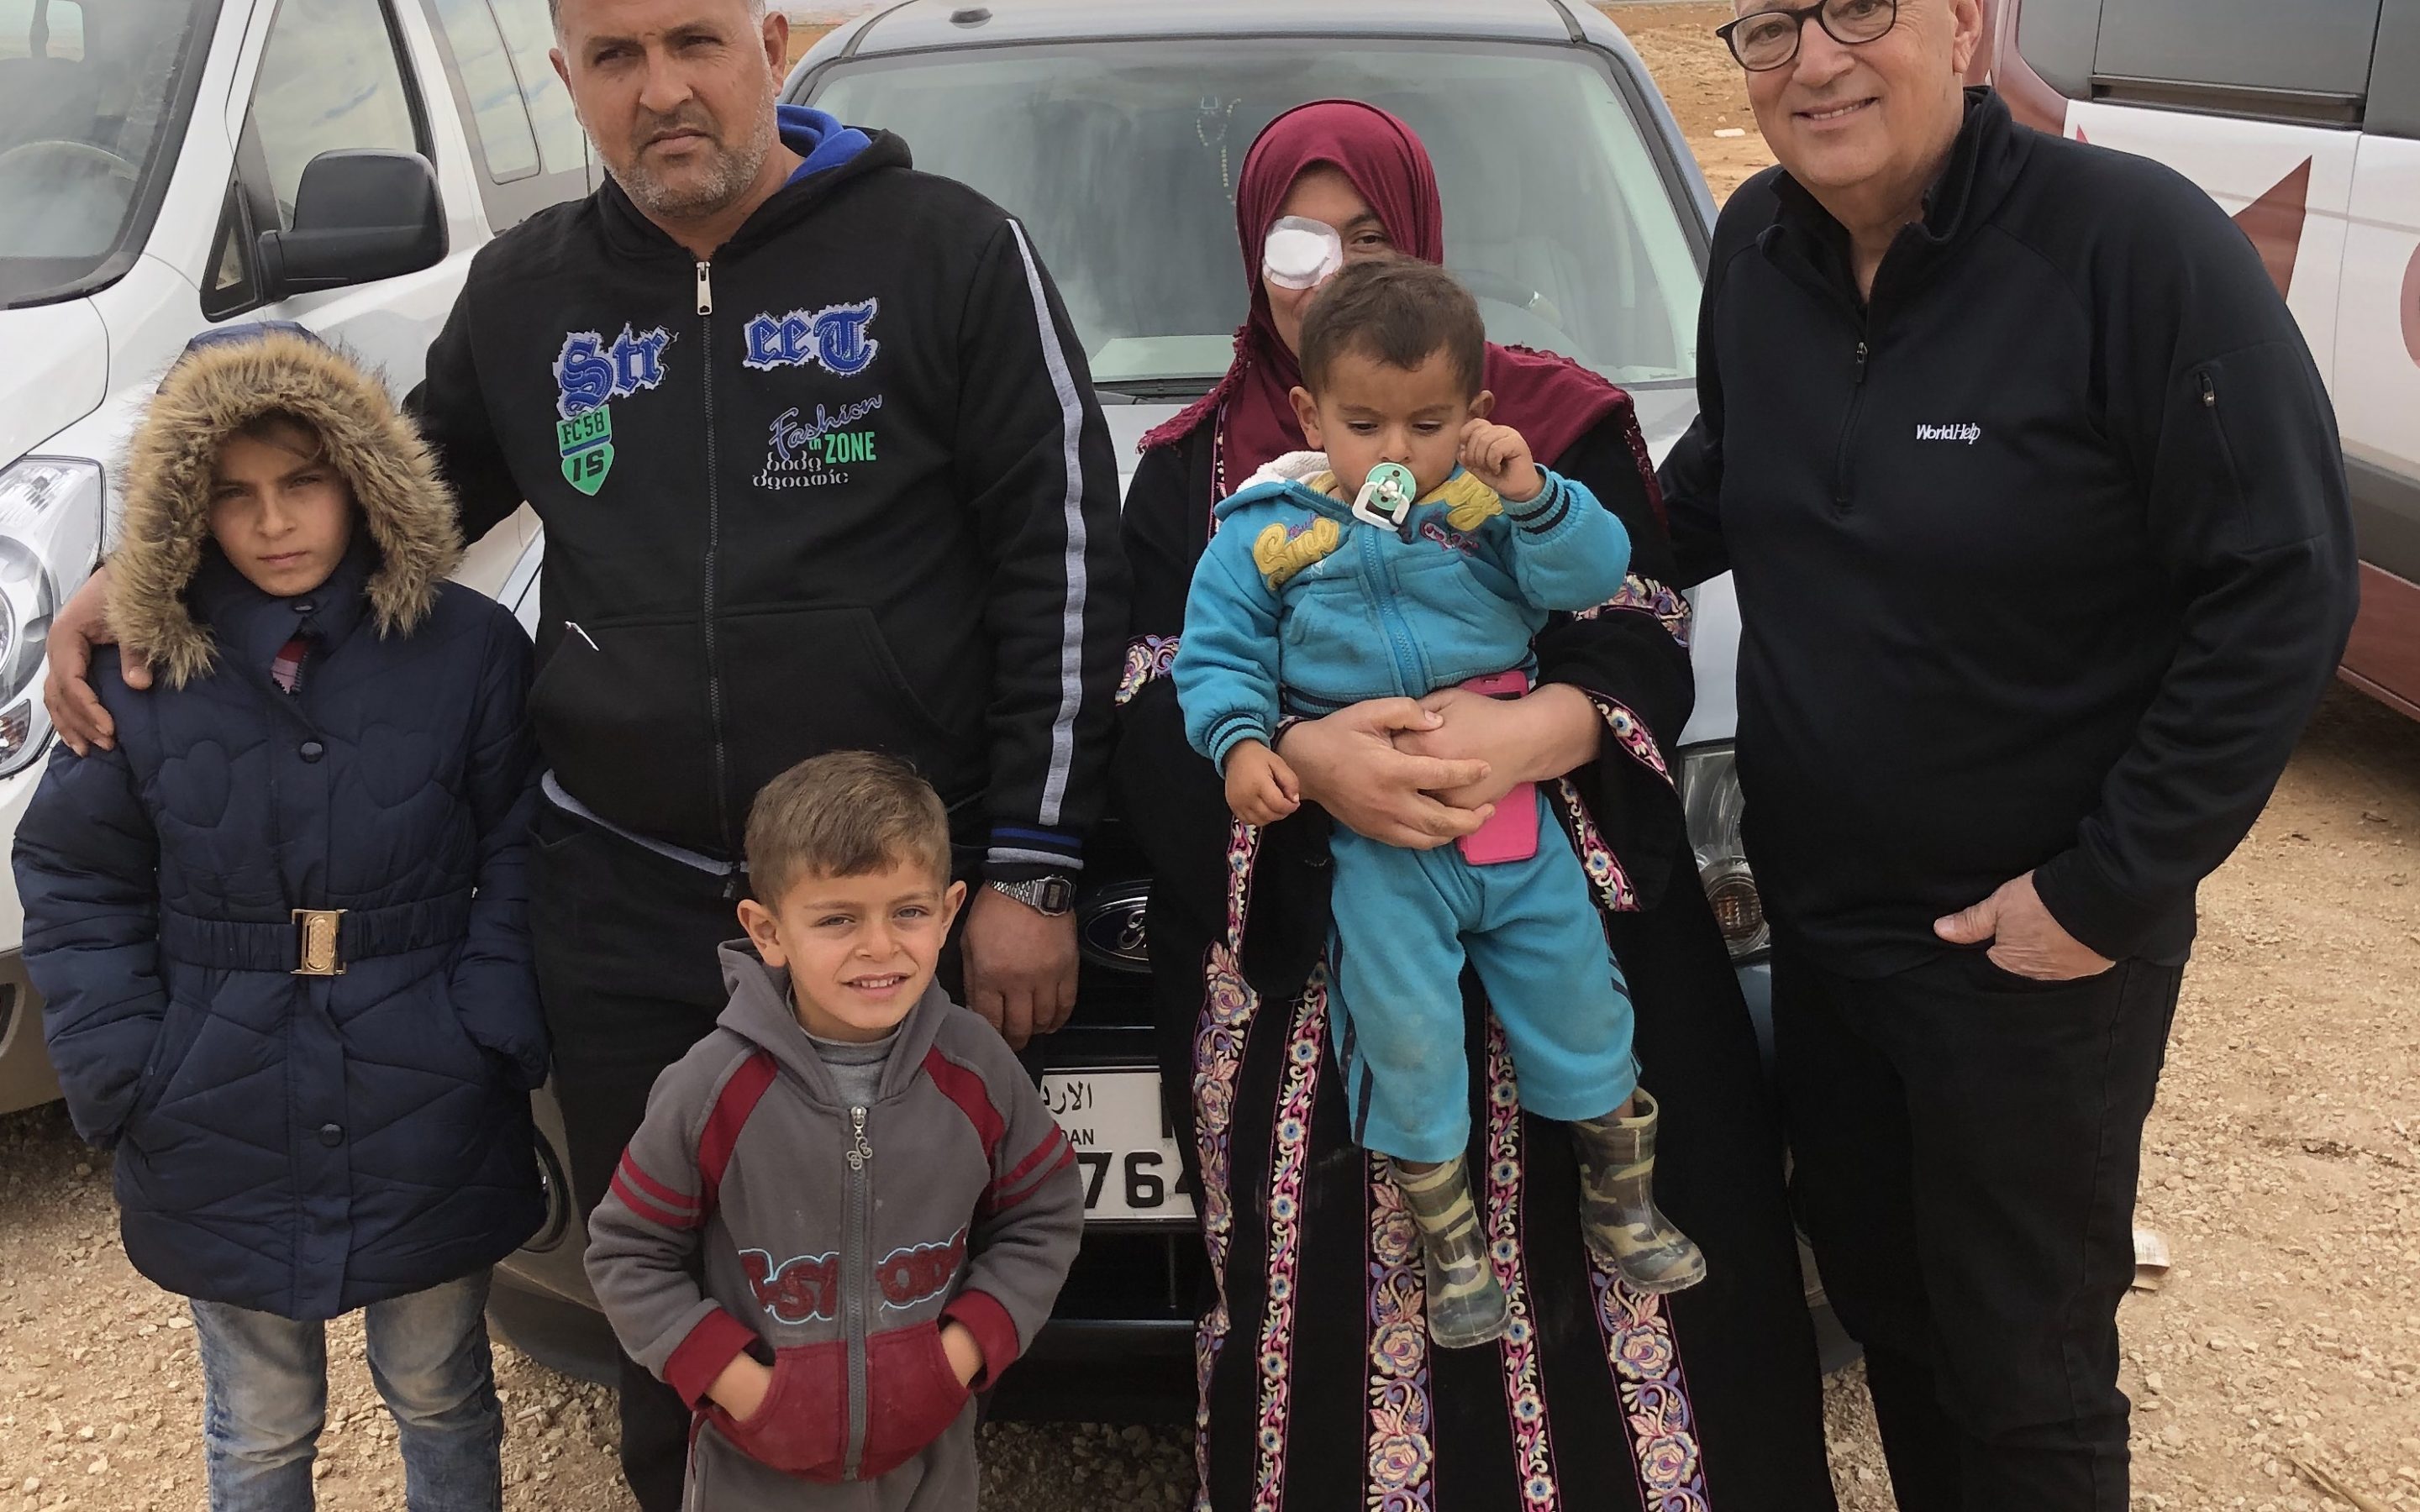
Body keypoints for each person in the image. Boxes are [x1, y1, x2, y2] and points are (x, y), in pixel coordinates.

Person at [42, 0, 1124, 1499]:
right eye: (615, 57)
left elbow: (1061, 562)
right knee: (666, 1325)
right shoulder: (528, 292)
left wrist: (1036, 867)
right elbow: (380, 501)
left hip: (881, 912)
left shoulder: (948, 252)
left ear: (771, 44)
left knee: (892, 1302)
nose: (660, 88)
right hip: (625, 903)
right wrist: (146, 572)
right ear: (567, 78)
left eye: (694, 41)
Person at [1660, 2, 2360, 1506]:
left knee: (2023, 1370)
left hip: (2029, 954)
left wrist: (2107, 892)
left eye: (1860, 8)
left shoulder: (2133, 249)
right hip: (1827, 930)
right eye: (1770, 26)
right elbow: (1720, 482)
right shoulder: (1757, 249)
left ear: (1967, 27)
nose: (1815, 61)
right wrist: (1500, 530)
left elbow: (2284, 584)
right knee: (1885, 1302)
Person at [1118, 98, 1835, 1509]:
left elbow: (1640, 624)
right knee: (1333, 1313)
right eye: (1298, 242)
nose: (1332, 273)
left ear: (1425, 245)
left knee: (1641, 1298)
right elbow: (1158, 695)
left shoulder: (1549, 426)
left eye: (1369, 237)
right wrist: (1311, 760)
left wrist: (1529, 737)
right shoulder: (1196, 470)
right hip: (1323, 942)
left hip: (1558, 891)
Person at [13, 323, 546, 1511]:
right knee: (258, 1424)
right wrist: (124, 1063)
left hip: (429, 1090)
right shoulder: (139, 670)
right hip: (214, 1096)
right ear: (185, 507)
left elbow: (522, 839)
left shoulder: (468, 651)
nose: (272, 522)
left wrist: (490, 1019)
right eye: (232, 493)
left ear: (363, 476)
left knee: (441, 1392)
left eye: (303, 481)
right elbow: (78, 875)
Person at [1172, 256, 1704, 1349]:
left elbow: (1592, 577)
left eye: (1427, 424)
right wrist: (1246, 744)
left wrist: (1534, 494)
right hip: (1379, 853)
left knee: (1582, 998)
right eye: (1364, 425)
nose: (1397, 452)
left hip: (1515, 822)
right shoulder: (1264, 529)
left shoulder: (1481, 509)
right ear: (1312, 415)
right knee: (1403, 1030)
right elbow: (1215, 655)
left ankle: (1621, 1195)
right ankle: (1449, 1240)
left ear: (1474, 411)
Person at [583, 751, 1084, 1509]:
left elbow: (1044, 1214)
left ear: (949, 912)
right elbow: (627, 1253)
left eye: (908, 912)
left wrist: (955, 1358)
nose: (879, 946)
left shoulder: (977, 1068)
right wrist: (745, 1388)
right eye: (837, 919)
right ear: (767, 931)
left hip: (932, 1467)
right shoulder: (713, 1087)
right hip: (753, 1475)